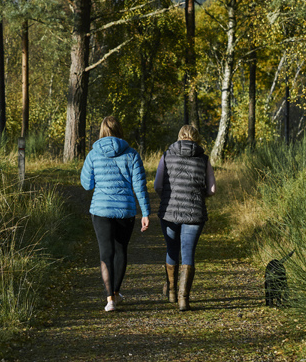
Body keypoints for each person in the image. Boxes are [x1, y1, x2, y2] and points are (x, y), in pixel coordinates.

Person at [81, 116, 151, 312]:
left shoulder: (93, 155)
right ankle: (116, 292)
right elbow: (140, 186)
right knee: (121, 251)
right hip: (125, 210)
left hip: (101, 210)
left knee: (106, 252)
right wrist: (145, 212)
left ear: (102, 131)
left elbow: (87, 184)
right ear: (120, 130)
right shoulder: (131, 154)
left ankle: (109, 298)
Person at [155, 124, 216, 311]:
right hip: (195, 213)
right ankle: (184, 299)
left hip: (169, 212)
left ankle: (172, 292)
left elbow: (158, 185)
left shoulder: (166, 155)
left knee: (172, 249)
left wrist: (167, 198)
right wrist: (200, 195)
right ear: (196, 138)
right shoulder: (204, 159)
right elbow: (212, 190)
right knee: (188, 253)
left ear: (179, 136)